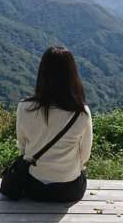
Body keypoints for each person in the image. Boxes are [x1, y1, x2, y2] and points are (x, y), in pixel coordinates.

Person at [15, 46, 93, 202]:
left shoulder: (24, 108)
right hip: (68, 190)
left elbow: (23, 147)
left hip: (33, 188)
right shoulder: (81, 112)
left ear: (42, 73)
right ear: (72, 75)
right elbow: (84, 155)